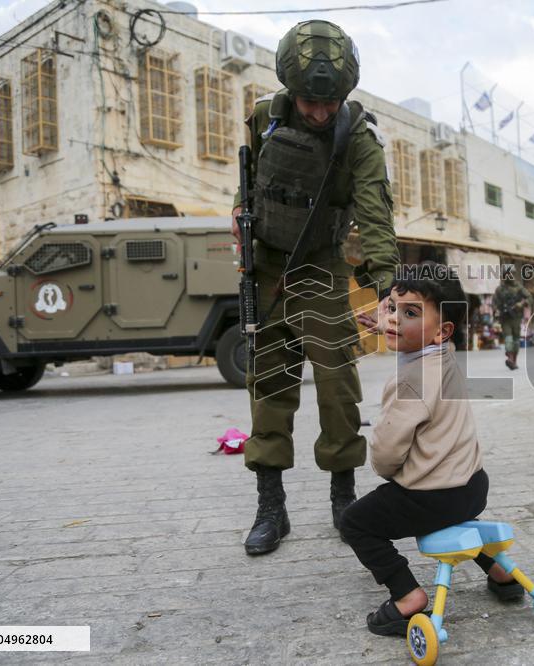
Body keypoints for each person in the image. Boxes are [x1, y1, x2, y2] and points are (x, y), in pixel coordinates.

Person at [231, 20, 399, 556]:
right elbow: (251, 184)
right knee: (268, 386)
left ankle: (343, 499)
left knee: (337, 387)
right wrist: (238, 212)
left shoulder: (361, 139)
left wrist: (387, 287)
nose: (321, 113)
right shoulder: (264, 117)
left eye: (331, 103)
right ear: (290, 88)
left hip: (322, 268)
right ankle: (271, 507)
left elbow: (375, 215)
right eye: (310, 102)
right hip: (265, 269)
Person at [343, 262, 523, 637]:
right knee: (453, 520)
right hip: (473, 488)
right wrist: (391, 324)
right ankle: (501, 572)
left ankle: (407, 595)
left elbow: (386, 455)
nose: (394, 319)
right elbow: (416, 341)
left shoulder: (410, 381)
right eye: (392, 308)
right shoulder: (446, 354)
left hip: (434, 497)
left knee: (355, 522)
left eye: (409, 313)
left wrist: (388, 470)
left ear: (441, 330)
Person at [492, 270, 531, 370]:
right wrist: (496, 310)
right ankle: (509, 358)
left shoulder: (519, 288)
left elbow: (530, 298)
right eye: (506, 275)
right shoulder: (500, 289)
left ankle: (514, 361)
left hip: (516, 317)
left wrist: (521, 304)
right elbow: (494, 302)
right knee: (508, 339)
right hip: (505, 317)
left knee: (516, 341)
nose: (509, 276)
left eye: (510, 274)